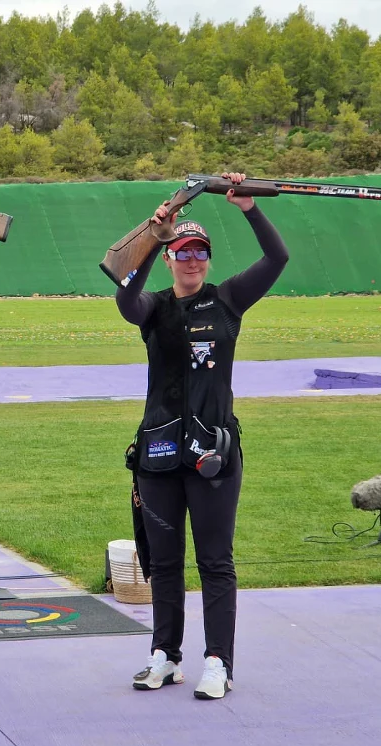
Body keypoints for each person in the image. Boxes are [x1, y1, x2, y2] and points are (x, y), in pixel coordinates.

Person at [116, 171, 289, 700]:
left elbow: (277, 258)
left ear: (208, 259)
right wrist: (154, 238)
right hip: (159, 453)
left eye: (199, 252)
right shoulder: (153, 307)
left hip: (213, 452)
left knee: (215, 562)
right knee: (164, 563)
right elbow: (125, 296)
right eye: (183, 252)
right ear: (171, 259)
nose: (192, 260)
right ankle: (165, 656)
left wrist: (249, 208)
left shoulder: (229, 298)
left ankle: (218, 662)